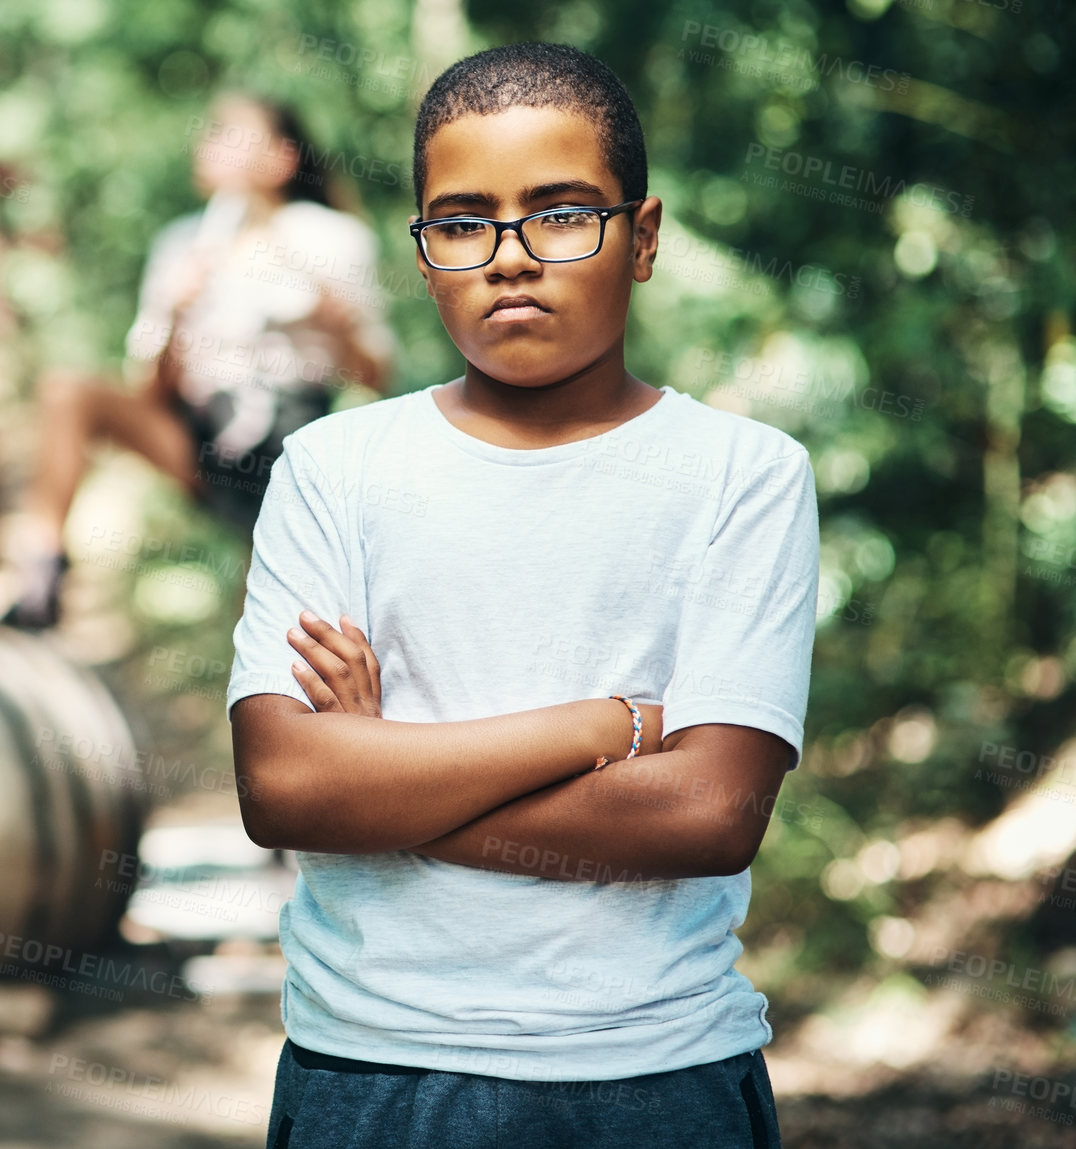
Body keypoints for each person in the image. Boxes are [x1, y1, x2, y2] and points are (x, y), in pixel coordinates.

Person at [228, 44, 817, 1148]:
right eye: (462, 222)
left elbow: (711, 813)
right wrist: (605, 726)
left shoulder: (744, 474)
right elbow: (289, 792)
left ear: (641, 237)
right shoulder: (332, 468)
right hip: (375, 1067)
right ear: (422, 251)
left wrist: (393, 778)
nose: (510, 259)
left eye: (559, 214)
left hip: (657, 1072)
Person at [5, 92, 397, 628]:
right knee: (66, 391)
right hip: (199, 434)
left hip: (293, 442)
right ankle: (40, 577)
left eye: (229, 133)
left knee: (268, 618)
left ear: (282, 159)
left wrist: (339, 323)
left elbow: (376, 378)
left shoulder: (334, 238)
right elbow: (147, 391)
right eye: (210, 132)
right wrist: (173, 316)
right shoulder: (183, 243)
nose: (208, 144)